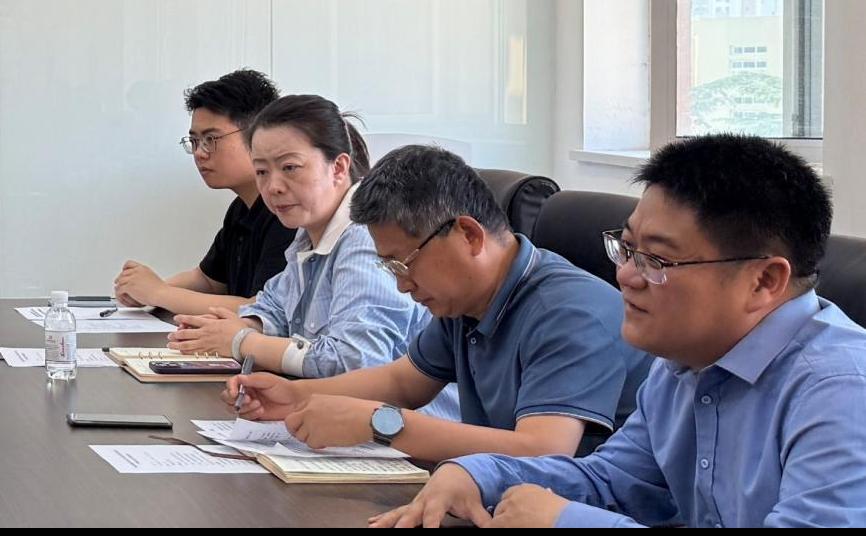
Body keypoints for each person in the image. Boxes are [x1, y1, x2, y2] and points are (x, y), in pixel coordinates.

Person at [371, 134, 866, 528]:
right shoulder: (682, 365)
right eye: (627, 249)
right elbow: (611, 481)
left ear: (764, 281)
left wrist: (566, 521)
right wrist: (476, 471)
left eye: (657, 260)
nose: (625, 275)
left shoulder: (840, 391)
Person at [221, 145, 652, 463]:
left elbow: (542, 450)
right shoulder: (466, 301)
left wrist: (380, 424)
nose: (401, 284)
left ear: (469, 235)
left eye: (404, 263)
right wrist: (293, 396)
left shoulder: (568, 312)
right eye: (388, 267)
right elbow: (403, 382)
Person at [167, 96, 457, 419]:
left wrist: (241, 341)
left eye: (290, 168)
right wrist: (237, 327)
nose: (273, 187)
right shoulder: (308, 234)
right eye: (261, 171)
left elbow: (357, 361)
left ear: (339, 168)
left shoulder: (364, 238)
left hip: (403, 433)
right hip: (337, 419)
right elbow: (273, 307)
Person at [114, 69, 296, 315]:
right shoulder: (241, 208)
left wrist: (159, 293)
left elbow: (263, 309)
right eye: (194, 141)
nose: (200, 153)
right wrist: (144, 290)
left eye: (211, 139)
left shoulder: (287, 210)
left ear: (259, 137)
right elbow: (208, 280)